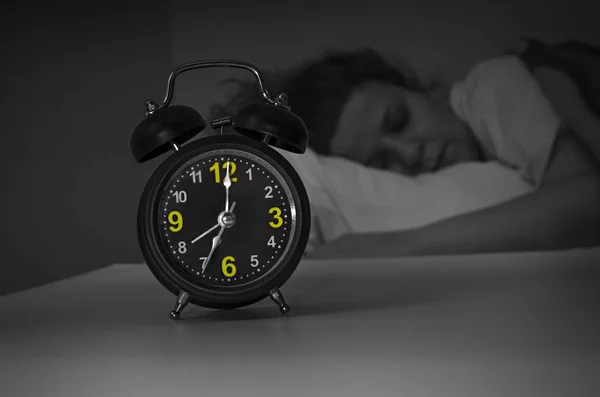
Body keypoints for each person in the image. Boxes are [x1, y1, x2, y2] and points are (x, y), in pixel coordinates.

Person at [211, 45, 600, 259]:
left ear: (421, 89)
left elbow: (587, 201)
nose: (408, 153)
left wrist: (395, 246)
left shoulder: (490, 84)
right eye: (381, 162)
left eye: (399, 120)